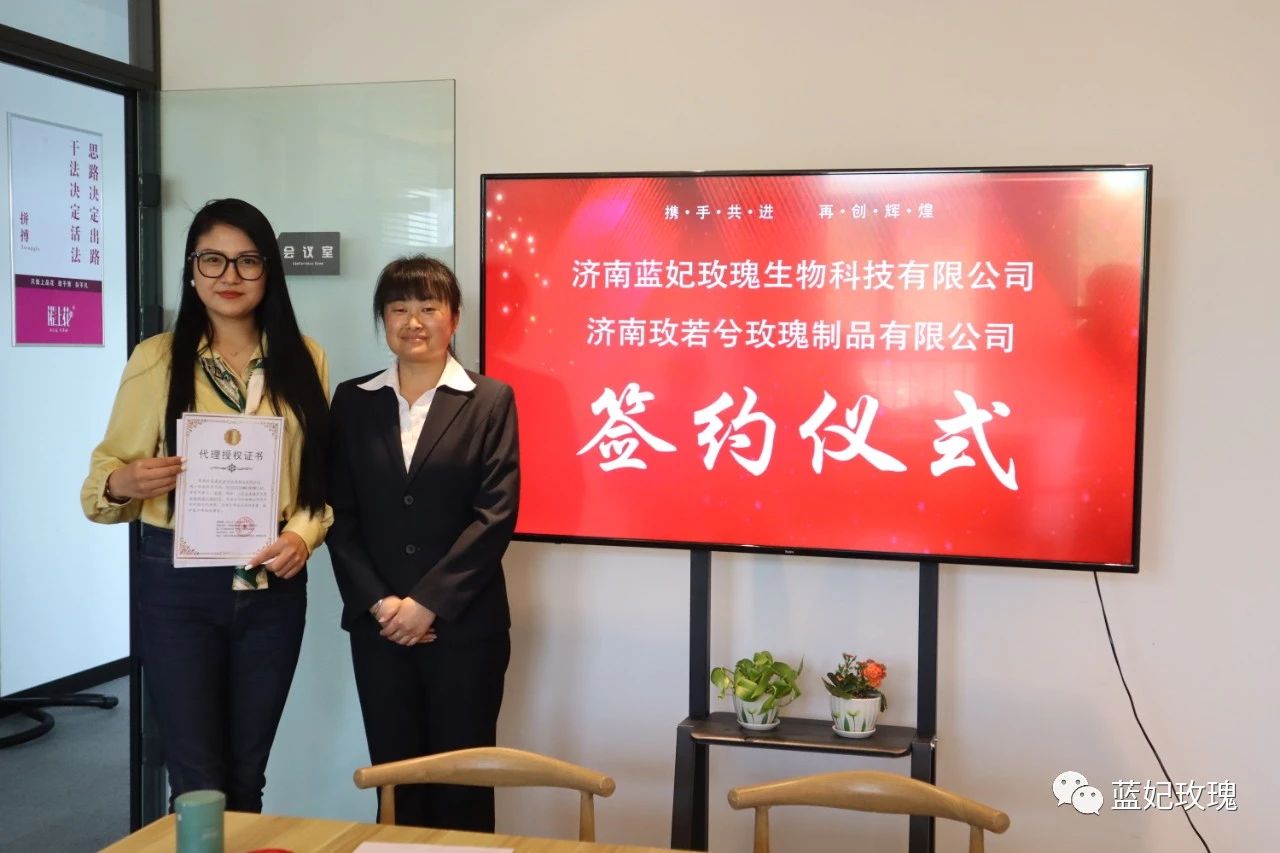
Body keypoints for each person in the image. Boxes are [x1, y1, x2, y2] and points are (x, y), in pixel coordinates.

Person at [80, 198, 331, 811]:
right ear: (192, 270)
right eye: (212, 260)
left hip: (271, 579)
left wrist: (302, 536)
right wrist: (126, 482)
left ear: (269, 271)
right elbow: (100, 486)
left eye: (248, 261)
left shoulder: (305, 357)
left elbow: (320, 483)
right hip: (179, 583)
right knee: (196, 781)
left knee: (247, 777)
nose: (229, 276)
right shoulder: (157, 358)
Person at [328, 255, 519, 831]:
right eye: (399, 309)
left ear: (453, 318)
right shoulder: (353, 400)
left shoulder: (490, 400)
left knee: (464, 784)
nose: (414, 321)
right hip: (380, 628)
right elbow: (338, 515)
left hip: (466, 629)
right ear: (383, 320)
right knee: (396, 779)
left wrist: (428, 602)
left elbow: (495, 516)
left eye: (429, 308)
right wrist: (381, 603)